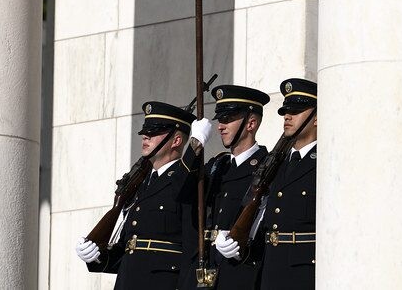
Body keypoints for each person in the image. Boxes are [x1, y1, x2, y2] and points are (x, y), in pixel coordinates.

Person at [75, 100, 212, 290]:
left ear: (177, 141)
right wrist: (98, 255)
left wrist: (194, 147)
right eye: (145, 132)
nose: (145, 136)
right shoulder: (142, 185)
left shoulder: (191, 182)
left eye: (154, 132)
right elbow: (129, 248)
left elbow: (191, 249)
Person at [215, 78, 317, 290]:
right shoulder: (278, 164)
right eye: (286, 111)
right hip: (270, 272)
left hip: (304, 273)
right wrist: (236, 237)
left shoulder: (324, 163)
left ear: (316, 117)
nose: (287, 116)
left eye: (296, 111)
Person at [181, 84, 271, 290]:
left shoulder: (267, 167)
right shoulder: (216, 166)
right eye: (220, 119)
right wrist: (194, 144)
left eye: (228, 119)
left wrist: (245, 247)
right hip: (205, 273)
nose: (220, 126)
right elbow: (180, 191)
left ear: (251, 123)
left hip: (239, 274)